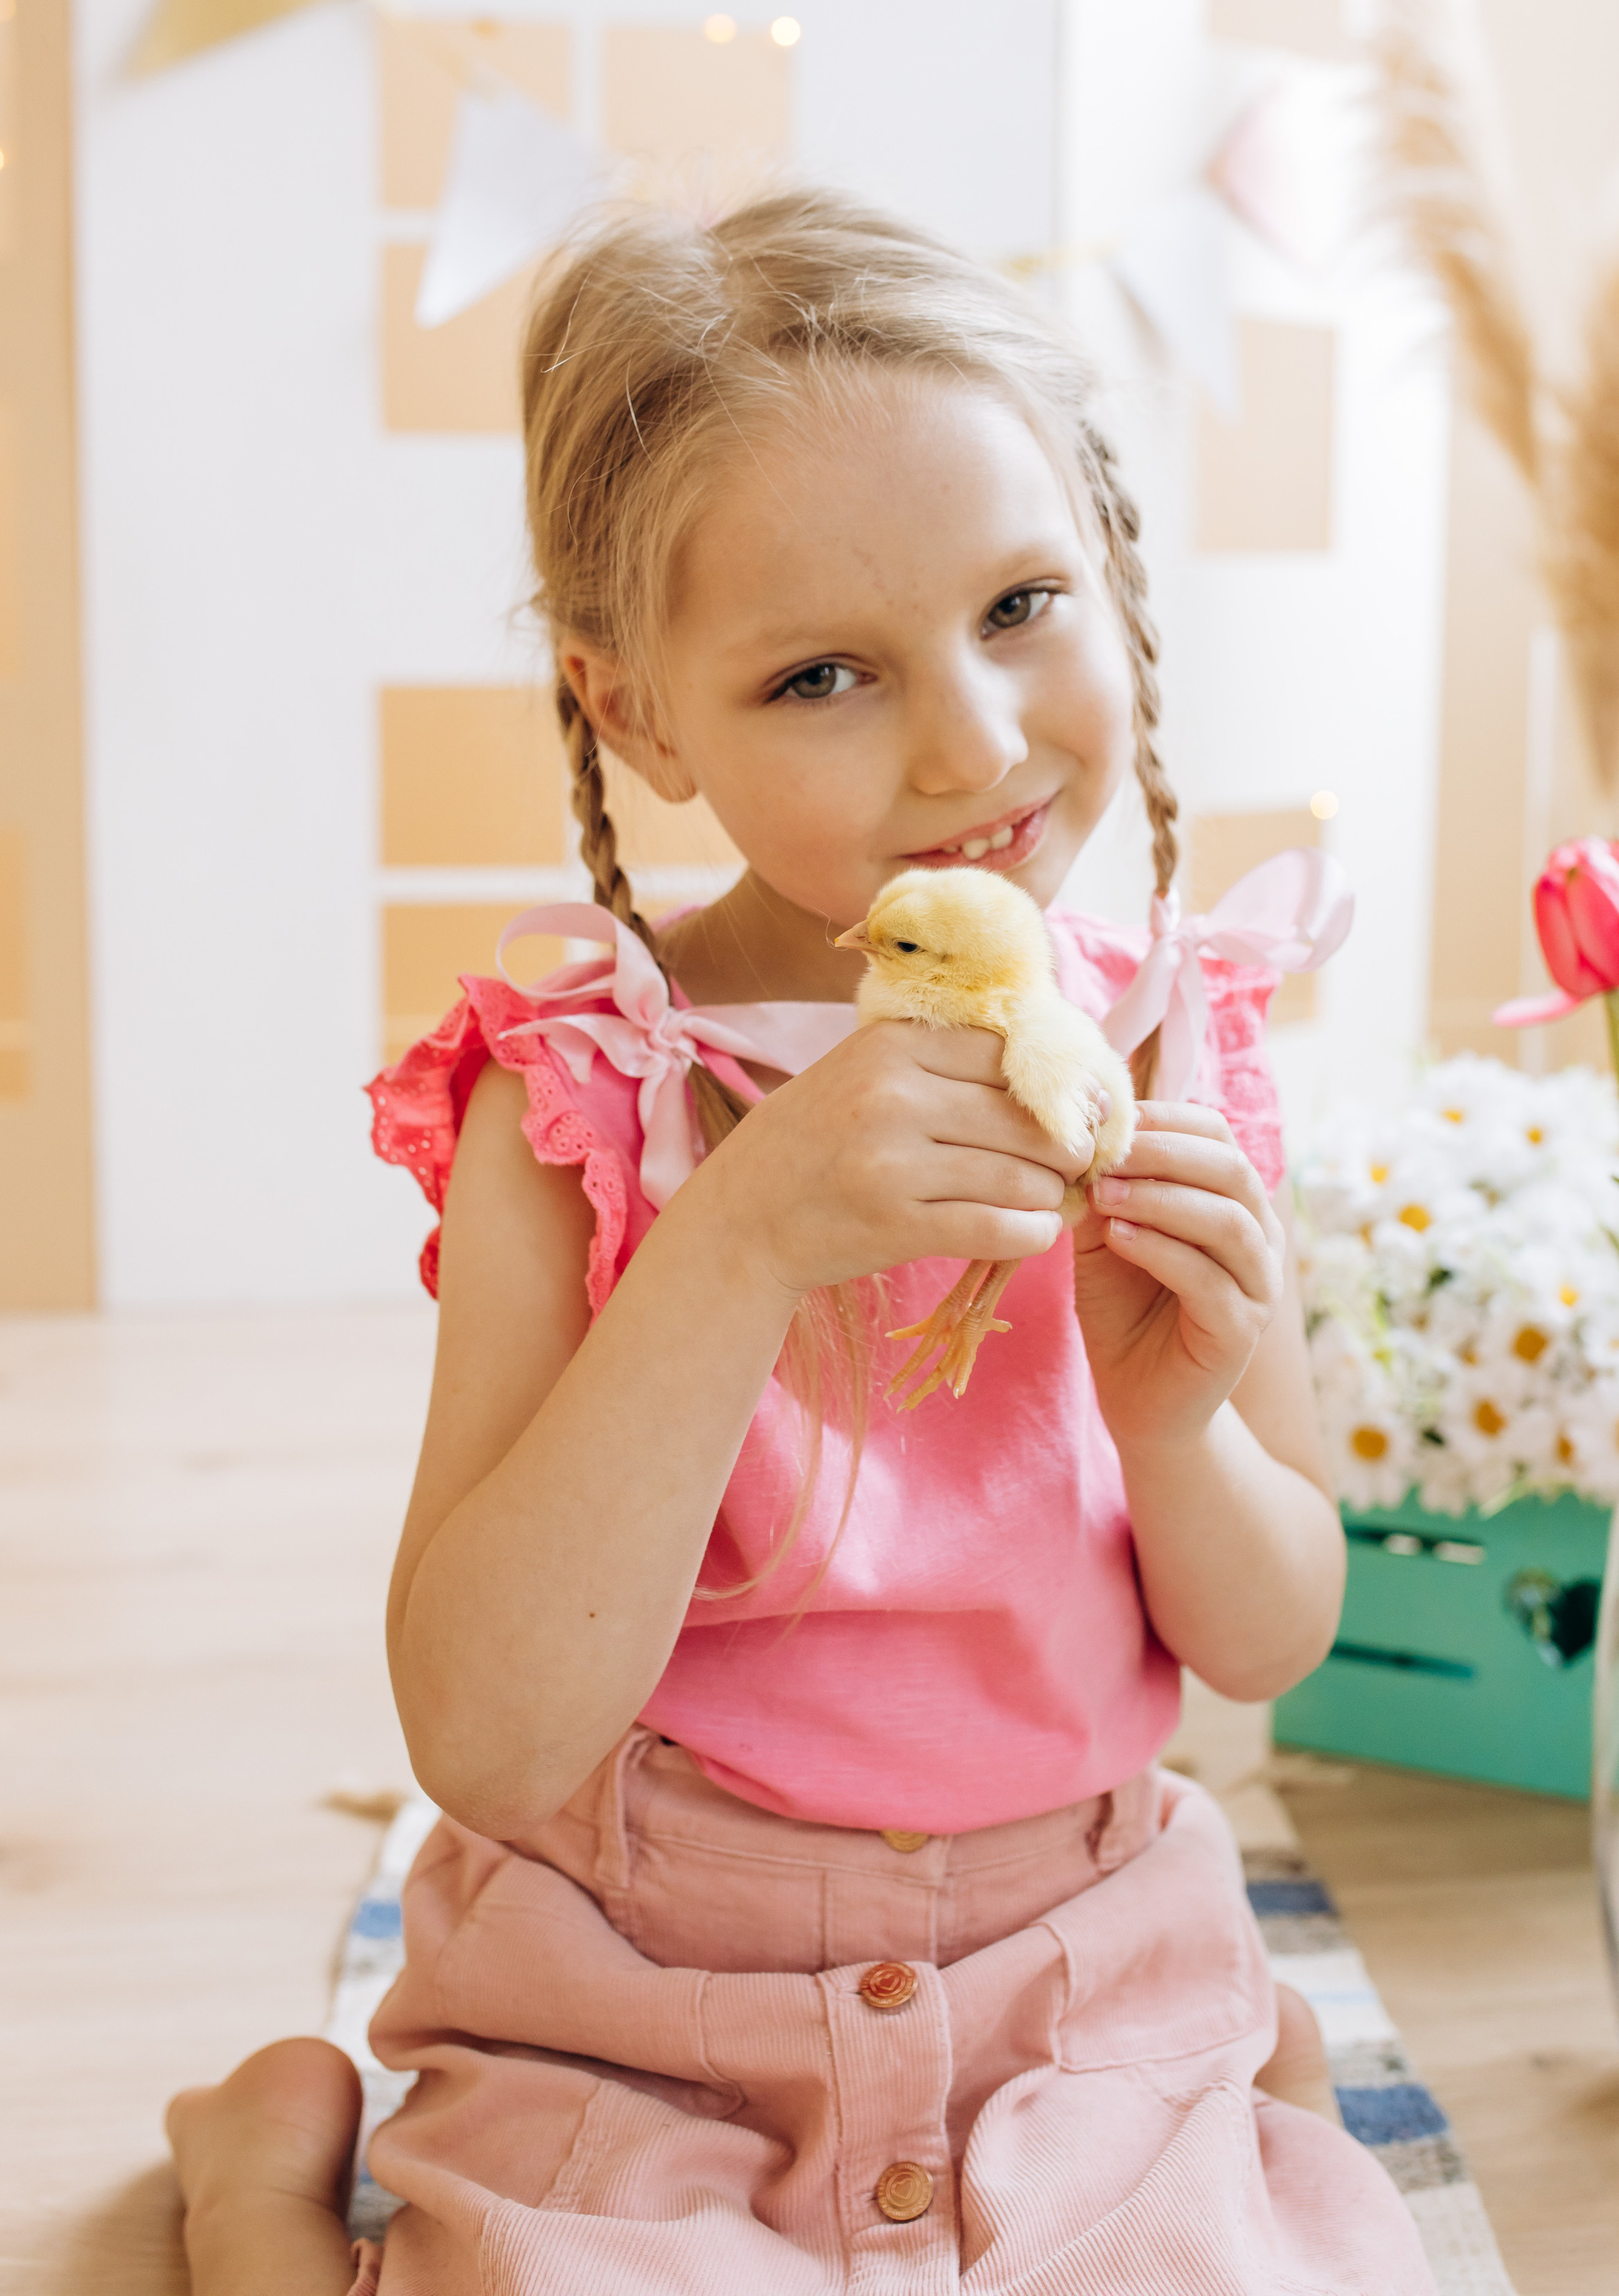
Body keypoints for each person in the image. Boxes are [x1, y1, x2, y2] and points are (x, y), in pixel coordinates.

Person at [167, 189, 1431, 2292]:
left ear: (1115, 566)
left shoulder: (1164, 1044)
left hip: (1067, 1957)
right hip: (652, 1989)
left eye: (1022, 602)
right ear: (640, 712)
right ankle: (261, 2180)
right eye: (823, 674)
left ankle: (1222, 2088)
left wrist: (1182, 1426)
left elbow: (1271, 1637)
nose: (971, 744)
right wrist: (737, 1247)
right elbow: (481, 1729)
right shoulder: (580, 1099)